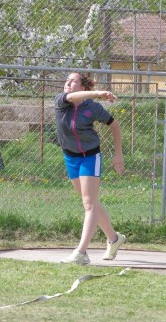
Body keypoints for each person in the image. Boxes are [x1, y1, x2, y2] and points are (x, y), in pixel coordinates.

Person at [54, 72, 126, 265]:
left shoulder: (92, 108)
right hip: (71, 157)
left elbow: (115, 126)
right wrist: (100, 93)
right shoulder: (61, 101)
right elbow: (71, 97)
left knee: (89, 204)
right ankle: (114, 239)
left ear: (83, 87)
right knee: (90, 203)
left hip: (90, 156)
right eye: (67, 80)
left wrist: (118, 154)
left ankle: (82, 252)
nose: (68, 83)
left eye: (73, 81)